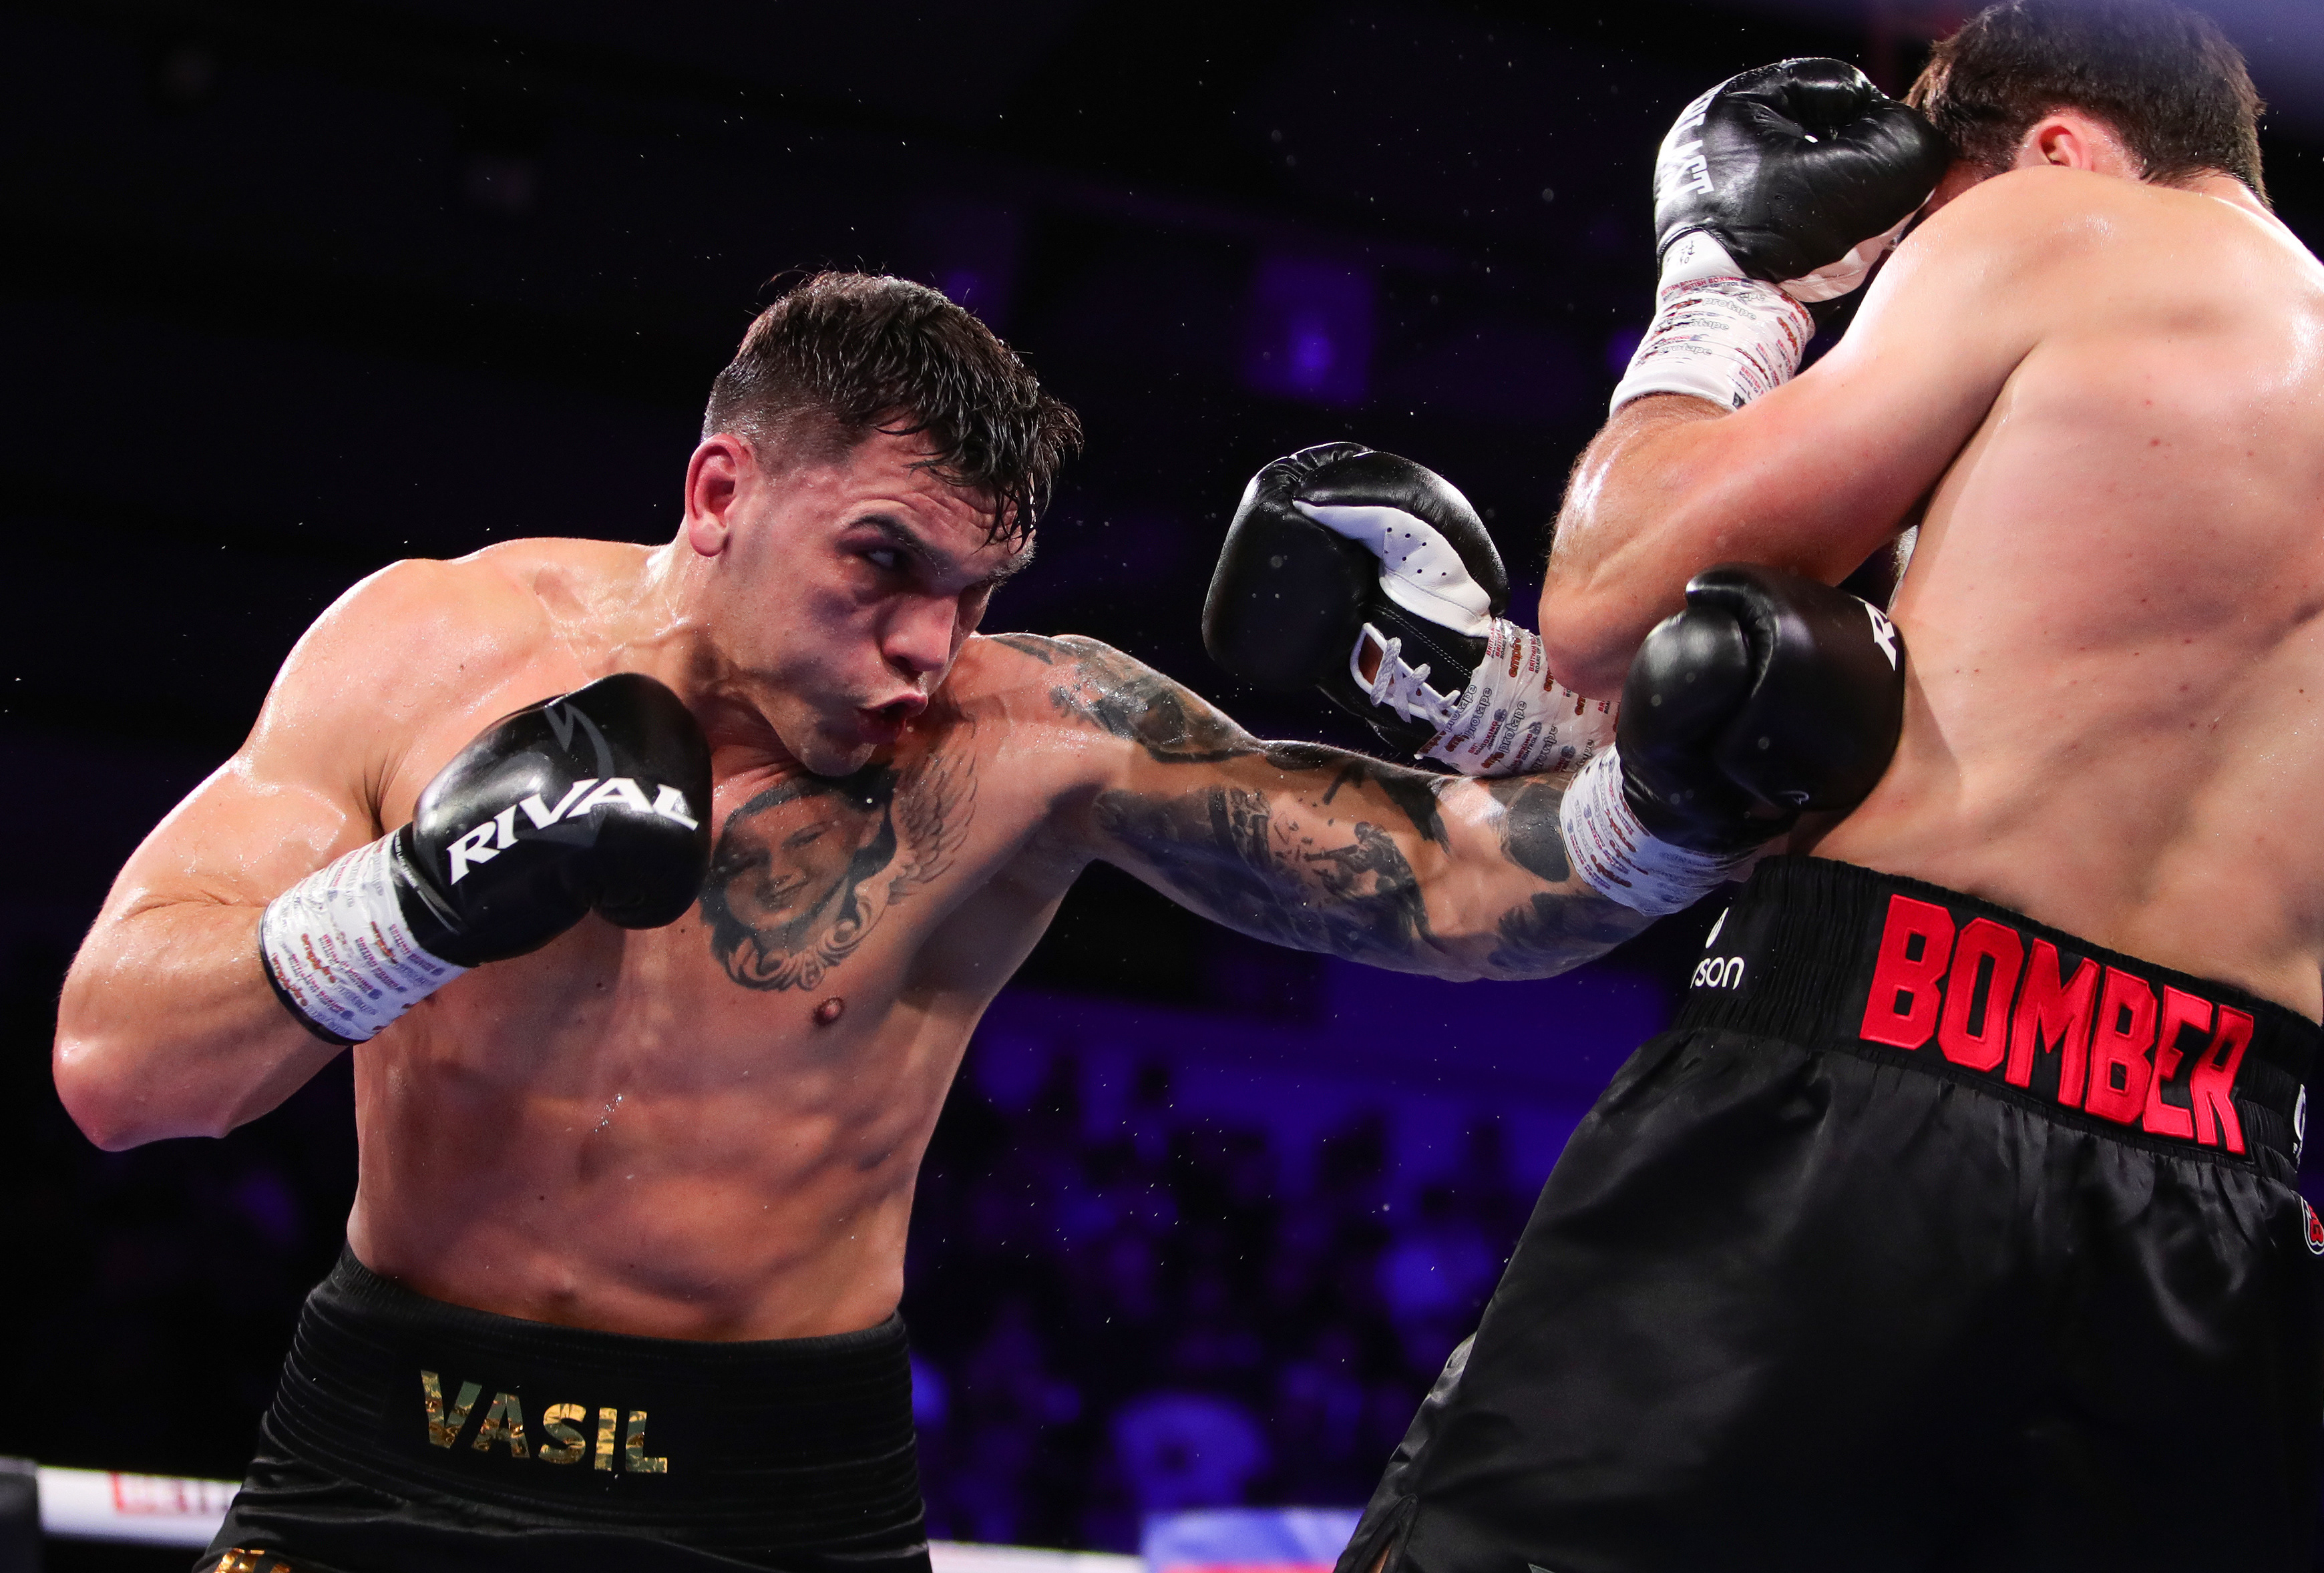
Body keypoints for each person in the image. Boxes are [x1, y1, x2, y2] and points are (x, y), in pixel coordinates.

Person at [53, 270, 1897, 1573]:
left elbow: (1441, 884)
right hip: (388, 1451)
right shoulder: (419, 651)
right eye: (883, 564)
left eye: (974, 587)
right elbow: (121, 1068)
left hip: (776, 1492)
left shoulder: (1033, 739)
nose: (931, 644)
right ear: (722, 493)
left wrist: (1661, 812)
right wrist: (416, 900)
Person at [1328, 0, 2324, 1571]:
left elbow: (1605, 596)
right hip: (2218, 1207)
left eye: (1922, 219)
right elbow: (2045, 758)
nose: (1906, 265)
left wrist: (1719, 295)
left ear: (2062, 148)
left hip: (1864, 1111)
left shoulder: (2060, 230)